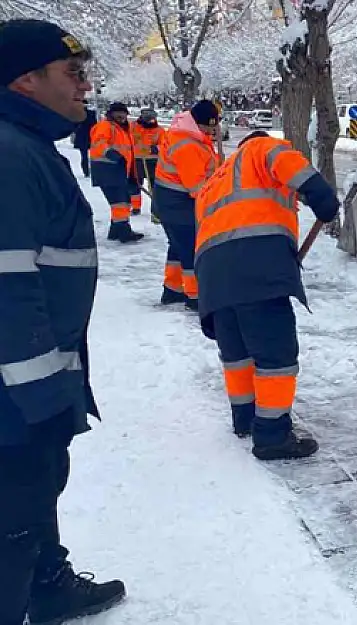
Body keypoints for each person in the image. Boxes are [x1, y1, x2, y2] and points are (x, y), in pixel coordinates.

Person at [0, 19, 127, 625]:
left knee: (38, 487)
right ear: (26, 78)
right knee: (12, 516)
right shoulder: (7, 153)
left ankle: (47, 584)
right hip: (12, 393)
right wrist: (42, 394)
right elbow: (6, 288)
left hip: (30, 380)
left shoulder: (27, 145)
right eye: (73, 73)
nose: (86, 86)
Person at [193, 131, 339, 460]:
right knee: (275, 353)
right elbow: (294, 169)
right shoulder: (262, 147)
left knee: (237, 351)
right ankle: (272, 435)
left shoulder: (216, 178)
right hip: (254, 262)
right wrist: (323, 200)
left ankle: (245, 418)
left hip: (212, 271)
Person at [153, 101, 219, 311]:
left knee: (178, 245)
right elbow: (196, 186)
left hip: (171, 202)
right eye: (211, 126)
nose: (213, 130)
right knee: (191, 247)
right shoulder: (187, 145)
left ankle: (173, 289)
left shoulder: (189, 136)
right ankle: (195, 296)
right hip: (178, 203)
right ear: (201, 124)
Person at [90, 102, 143, 243]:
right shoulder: (105, 126)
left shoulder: (124, 129)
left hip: (119, 170)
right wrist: (110, 153)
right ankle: (124, 232)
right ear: (111, 114)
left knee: (121, 200)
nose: (121, 116)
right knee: (121, 202)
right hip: (107, 169)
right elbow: (98, 142)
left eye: (123, 113)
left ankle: (114, 232)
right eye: (118, 113)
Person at [130, 108, 163, 216]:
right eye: (148, 119)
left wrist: (155, 149)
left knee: (154, 185)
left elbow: (165, 144)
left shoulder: (159, 130)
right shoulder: (133, 127)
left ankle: (156, 208)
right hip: (137, 160)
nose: (151, 122)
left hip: (153, 161)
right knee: (136, 184)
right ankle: (135, 207)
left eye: (152, 120)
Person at [70, 102, 95, 178]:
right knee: (91, 156)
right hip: (89, 137)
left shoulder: (76, 114)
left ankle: (86, 171)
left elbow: (73, 126)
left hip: (83, 137)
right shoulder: (91, 114)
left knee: (84, 156)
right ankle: (88, 171)